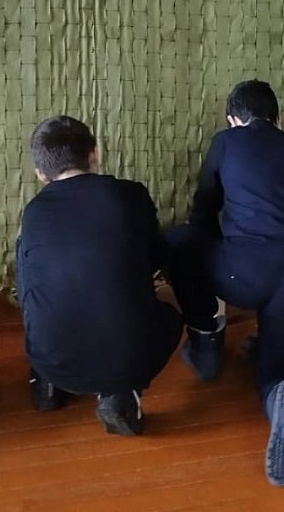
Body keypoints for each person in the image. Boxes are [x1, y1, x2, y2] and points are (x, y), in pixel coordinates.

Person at [166, 80, 284, 488]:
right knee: (278, 367)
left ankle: (207, 346)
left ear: (231, 119)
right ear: (279, 118)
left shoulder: (227, 143)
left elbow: (203, 211)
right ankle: (281, 395)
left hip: (244, 273)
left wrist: (214, 253)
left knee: (182, 242)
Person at [15, 116, 184, 435]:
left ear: (40, 174)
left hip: (49, 358)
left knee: (29, 258)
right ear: (95, 153)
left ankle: (46, 385)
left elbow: (27, 290)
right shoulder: (131, 195)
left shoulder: (34, 213)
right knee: (169, 305)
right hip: (128, 359)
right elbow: (156, 258)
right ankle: (120, 394)